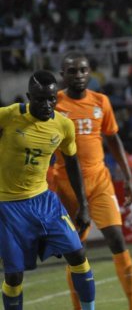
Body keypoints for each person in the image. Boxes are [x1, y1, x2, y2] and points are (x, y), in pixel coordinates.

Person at [52, 51, 132, 310]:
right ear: (63, 75)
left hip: (99, 180)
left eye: (83, 70)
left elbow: (113, 139)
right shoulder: (54, 104)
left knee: (117, 239)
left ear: (89, 72)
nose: (79, 75)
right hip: (67, 184)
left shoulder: (101, 101)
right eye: (72, 71)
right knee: (75, 250)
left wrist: (128, 177)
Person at [0, 71, 96, 310]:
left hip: (43, 201)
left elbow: (72, 164)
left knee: (78, 254)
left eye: (51, 99)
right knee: (14, 276)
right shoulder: (9, 115)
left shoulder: (63, 125)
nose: (46, 104)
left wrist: (83, 205)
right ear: (28, 97)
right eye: (40, 99)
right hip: (7, 205)